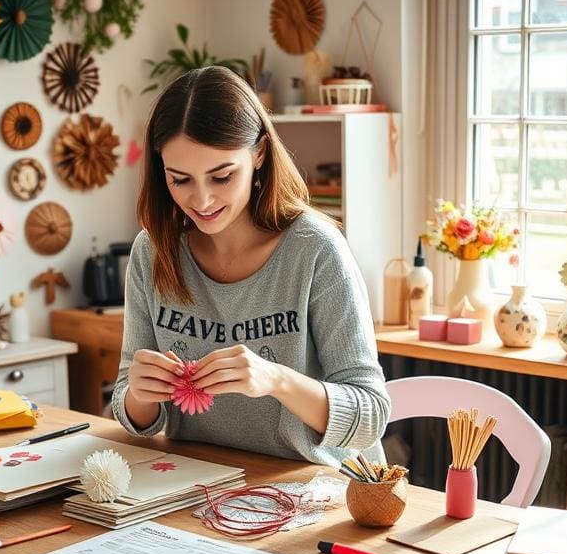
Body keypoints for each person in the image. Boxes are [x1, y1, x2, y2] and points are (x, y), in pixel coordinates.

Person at [111, 66, 391, 466]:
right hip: (197, 484)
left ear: (258, 153)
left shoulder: (316, 250)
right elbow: (136, 417)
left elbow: (371, 415)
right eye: (180, 180)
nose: (202, 200)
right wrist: (139, 392)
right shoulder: (152, 251)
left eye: (222, 176)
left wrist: (275, 379)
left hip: (311, 489)